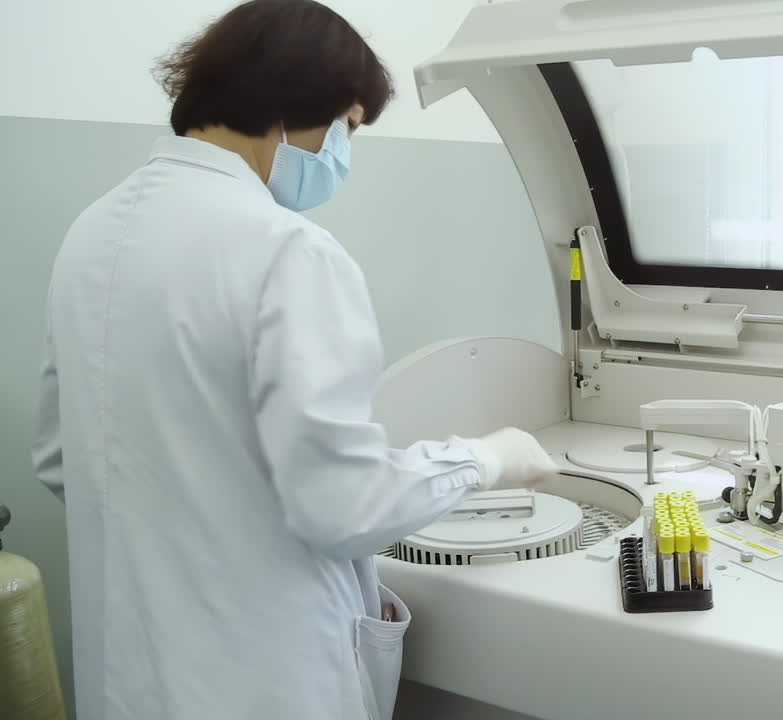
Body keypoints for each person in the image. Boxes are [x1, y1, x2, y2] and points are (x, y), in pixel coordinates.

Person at [30, 1, 559, 718]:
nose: (344, 152)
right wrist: (483, 459)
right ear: (296, 109)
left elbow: (61, 459)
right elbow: (347, 506)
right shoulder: (287, 250)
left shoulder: (92, 233)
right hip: (262, 678)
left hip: (125, 680)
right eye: (347, 128)